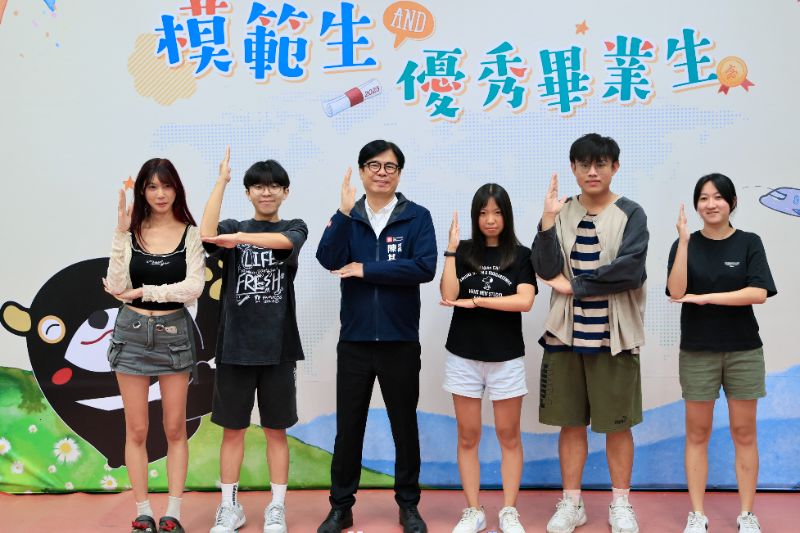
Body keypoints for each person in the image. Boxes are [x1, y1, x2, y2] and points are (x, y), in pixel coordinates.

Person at [315, 140, 437, 533]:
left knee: (405, 427)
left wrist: (366, 270)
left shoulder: (417, 217)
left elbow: (423, 267)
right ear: (362, 171)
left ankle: (409, 506)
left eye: (390, 166)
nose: (382, 173)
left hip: (400, 341)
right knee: (349, 428)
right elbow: (328, 258)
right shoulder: (349, 217)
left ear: (399, 173)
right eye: (374, 165)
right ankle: (340, 507)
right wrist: (341, 213)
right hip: (355, 342)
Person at [531, 133, 648, 533]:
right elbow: (545, 267)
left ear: (615, 167)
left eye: (600, 164)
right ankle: (572, 503)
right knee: (570, 422)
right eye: (584, 164)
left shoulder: (631, 213)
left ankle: (621, 503)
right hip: (565, 333)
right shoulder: (561, 211)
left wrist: (576, 285)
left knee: (618, 424)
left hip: (614, 335)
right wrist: (547, 221)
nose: (592, 171)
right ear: (573, 169)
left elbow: (630, 270)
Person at [201, 148, 308, 533]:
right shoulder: (233, 224)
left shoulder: (295, 226)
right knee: (233, 431)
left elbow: (285, 243)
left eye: (274, 186)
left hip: (279, 350)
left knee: (277, 431)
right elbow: (207, 234)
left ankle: (276, 508)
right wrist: (222, 181)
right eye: (259, 187)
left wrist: (239, 239)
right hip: (234, 349)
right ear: (248, 193)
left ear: (285, 191)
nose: (266, 192)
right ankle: (229, 507)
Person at [667, 174, 776, 533]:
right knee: (697, 433)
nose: (710, 204)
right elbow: (676, 291)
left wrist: (707, 298)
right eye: (703, 198)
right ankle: (697, 514)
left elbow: (758, 293)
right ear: (696, 205)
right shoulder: (684, 244)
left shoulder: (749, 242)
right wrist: (684, 243)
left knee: (744, 433)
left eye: (717, 197)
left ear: (732, 202)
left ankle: (747, 514)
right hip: (698, 351)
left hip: (744, 350)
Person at [104, 158, 205, 533]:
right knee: (136, 429)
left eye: (166, 186)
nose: (160, 194)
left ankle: (173, 512)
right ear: (142, 192)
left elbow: (193, 289)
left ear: (177, 189)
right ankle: (143, 511)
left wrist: (146, 291)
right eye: (152, 186)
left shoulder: (190, 234)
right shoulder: (131, 234)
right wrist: (119, 234)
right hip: (130, 332)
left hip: (173, 334)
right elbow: (117, 286)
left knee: (175, 427)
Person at [440, 184, 536, 533]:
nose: (490, 219)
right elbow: (449, 294)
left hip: (505, 357)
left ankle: (509, 510)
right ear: (475, 216)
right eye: (483, 213)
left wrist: (478, 301)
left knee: (509, 435)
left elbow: (524, 301)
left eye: (496, 212)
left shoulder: (521, 255)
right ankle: (473, 510)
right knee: (468, 436)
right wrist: (451, 251)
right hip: (463, 356)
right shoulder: (464, 252)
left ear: (506, 215)